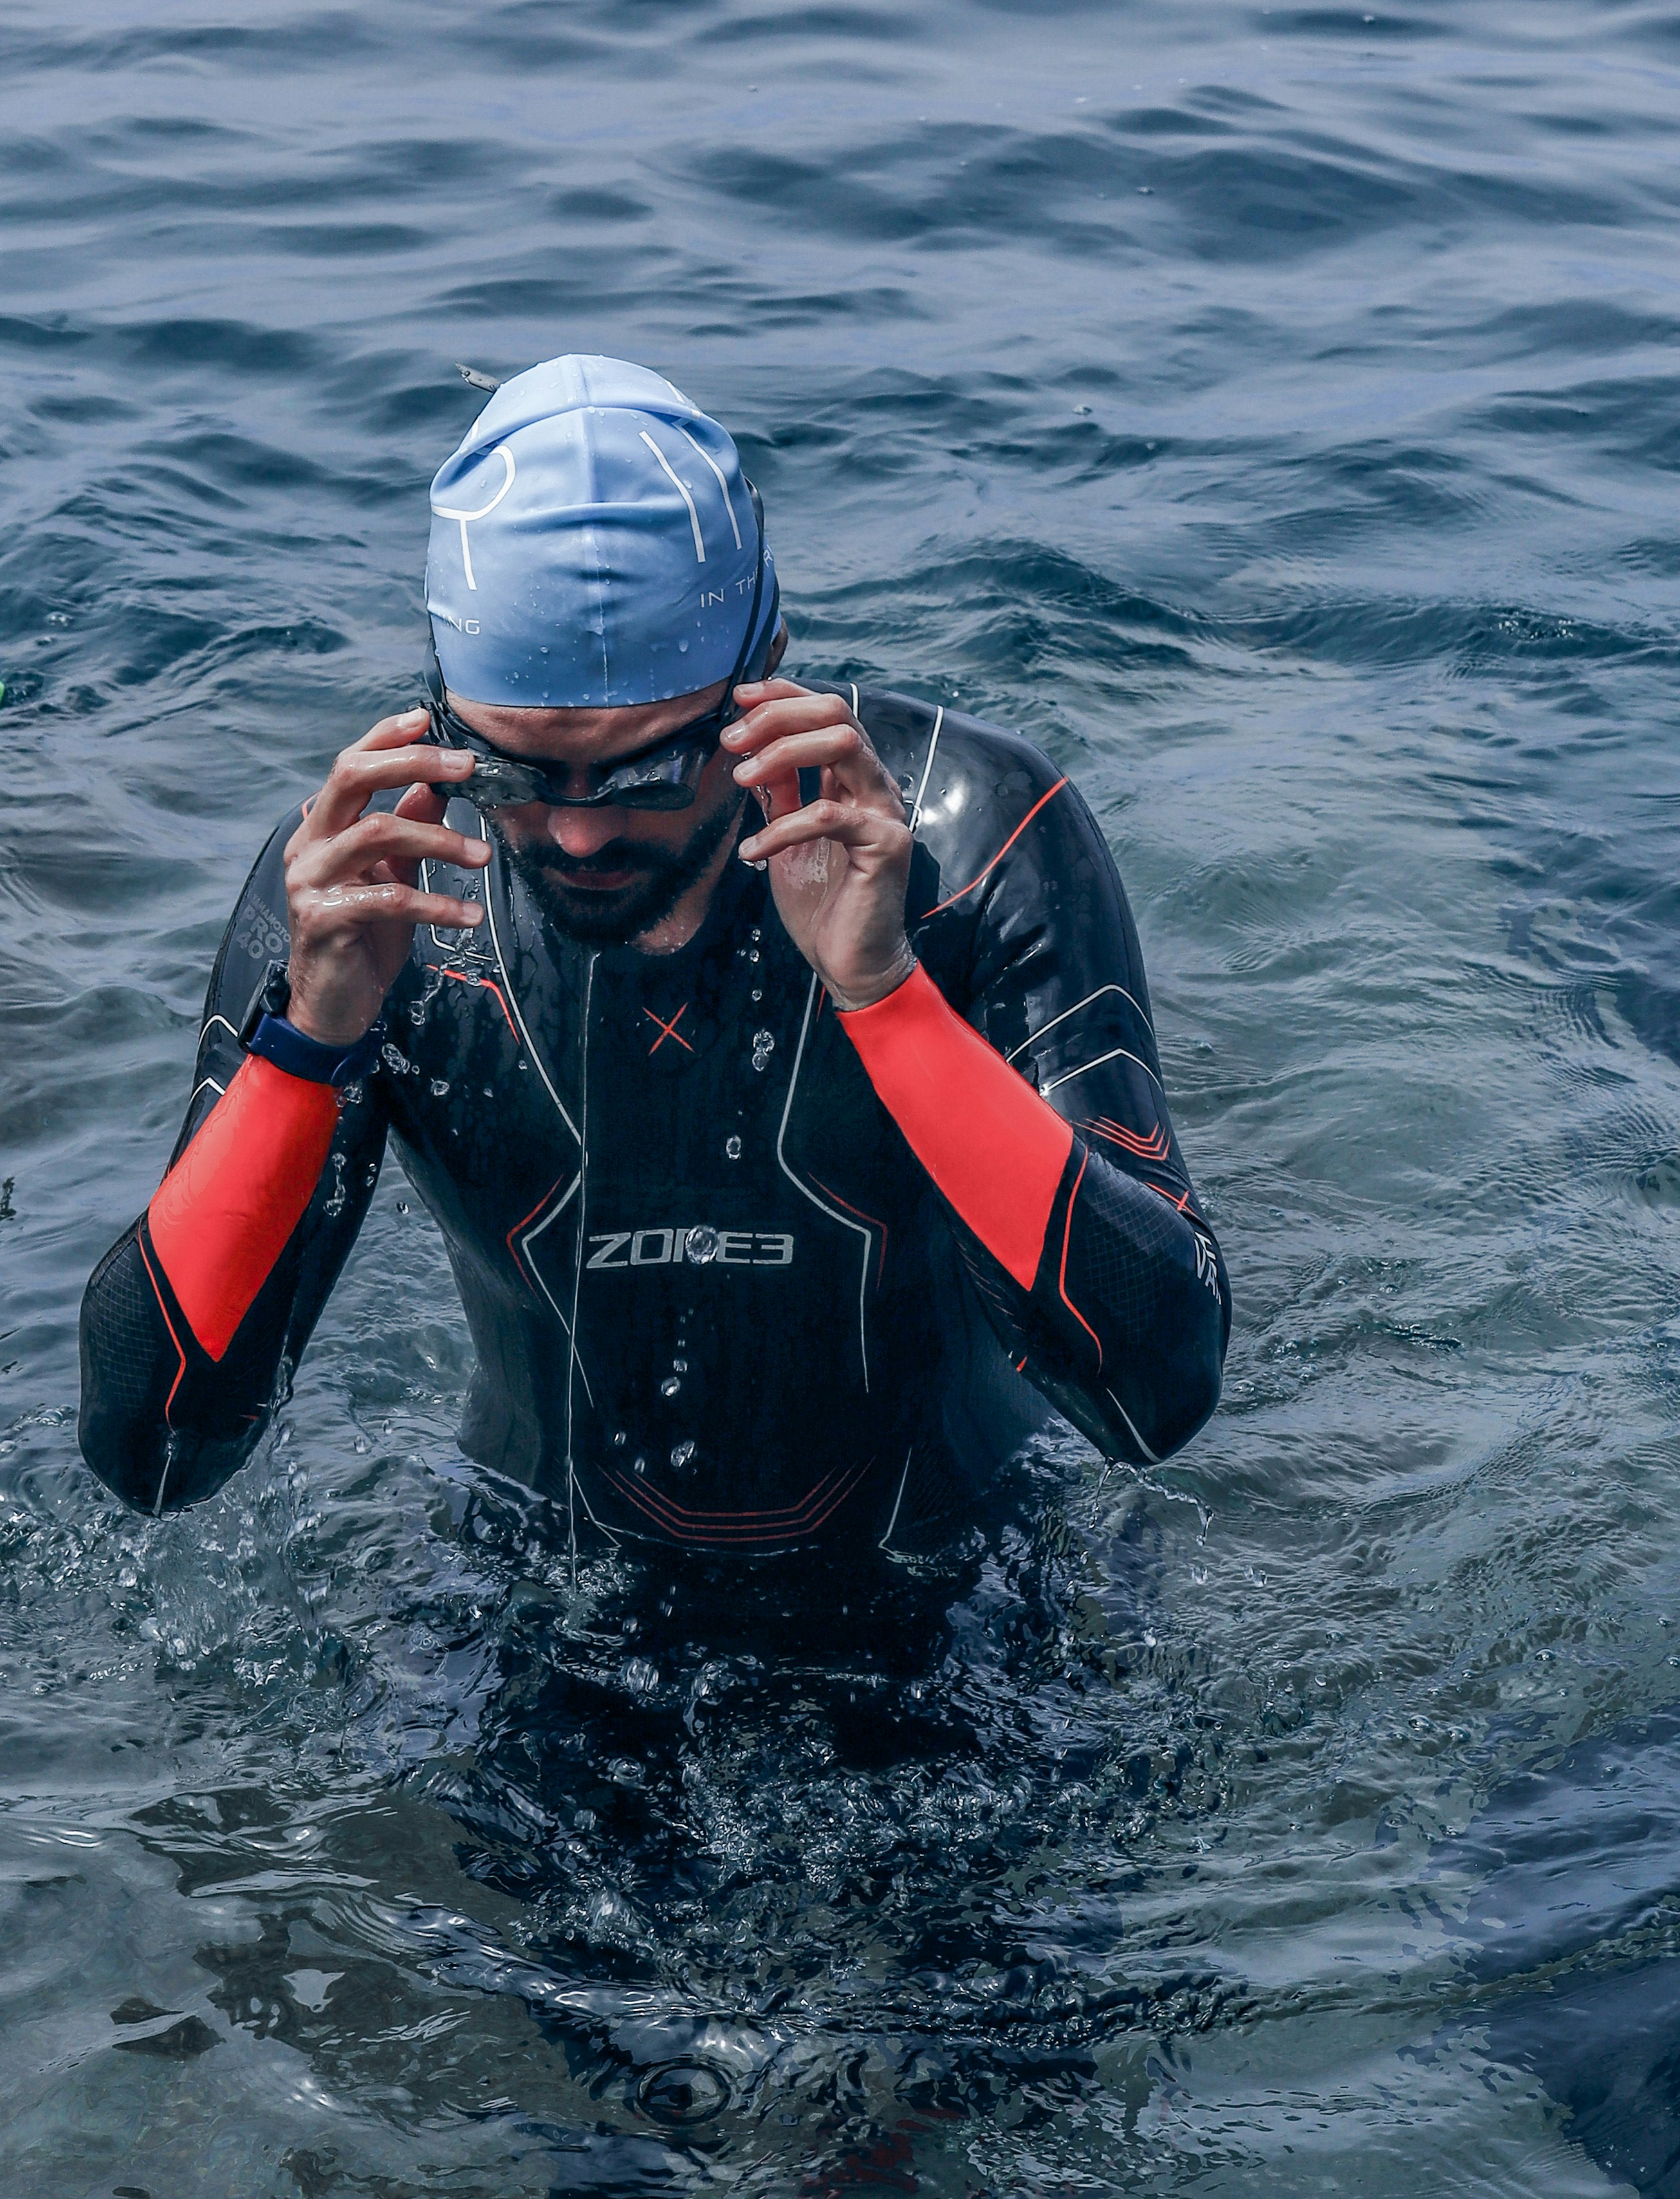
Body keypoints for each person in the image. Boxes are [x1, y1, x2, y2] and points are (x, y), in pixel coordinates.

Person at [78, 354, 1230, 1568]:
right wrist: (306, 1049)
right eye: (517, 772)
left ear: (763, 677)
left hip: (961, 1572)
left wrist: (887, 997)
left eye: (641, 771)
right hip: (543, 1590)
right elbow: (151, 1454)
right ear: (443, 715)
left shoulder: (969, 842)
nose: (576, 831)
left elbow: (1159, 1390)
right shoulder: (372, 893)